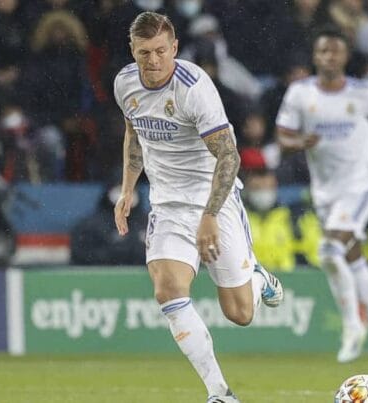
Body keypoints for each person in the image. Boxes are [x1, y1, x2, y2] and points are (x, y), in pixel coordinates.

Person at [112, 12, 283, 403]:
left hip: (213, 198)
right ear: (132, 50)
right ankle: (219, 393)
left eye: (160, 51)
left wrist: (209, 216)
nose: (153, 60)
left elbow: (229, 156)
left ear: (174, 48)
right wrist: (127, 190)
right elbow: (133, 133)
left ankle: (258, 280)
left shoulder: (194, 88)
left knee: (240, 314)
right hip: (167, 204)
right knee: (168, 290)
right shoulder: (125, 83)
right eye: (144, 53)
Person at [275, 29, 368, 369]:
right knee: (351, 255)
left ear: (345, 57)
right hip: (325, 190)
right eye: (324, 51)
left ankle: (353, 326)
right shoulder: (300, 93)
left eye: (336, 51)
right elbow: (283, 137)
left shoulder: (363, 92)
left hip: (358, 185)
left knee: (330, 250)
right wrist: (300, 142)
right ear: (315, 57)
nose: (330, 57)